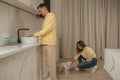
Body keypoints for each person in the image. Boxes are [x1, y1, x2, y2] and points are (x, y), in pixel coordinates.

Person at [31, 3, 57, 80]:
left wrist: (35, 34)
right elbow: (44, 31)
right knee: (47, 62)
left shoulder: (51, 16)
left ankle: (54, 78)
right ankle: (51, 76)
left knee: (51, 63)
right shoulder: (46, 18)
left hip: (50, 43)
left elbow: (46, 30)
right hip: (45, 43)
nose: (40, 12)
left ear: (44, 8)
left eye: (40, 10)